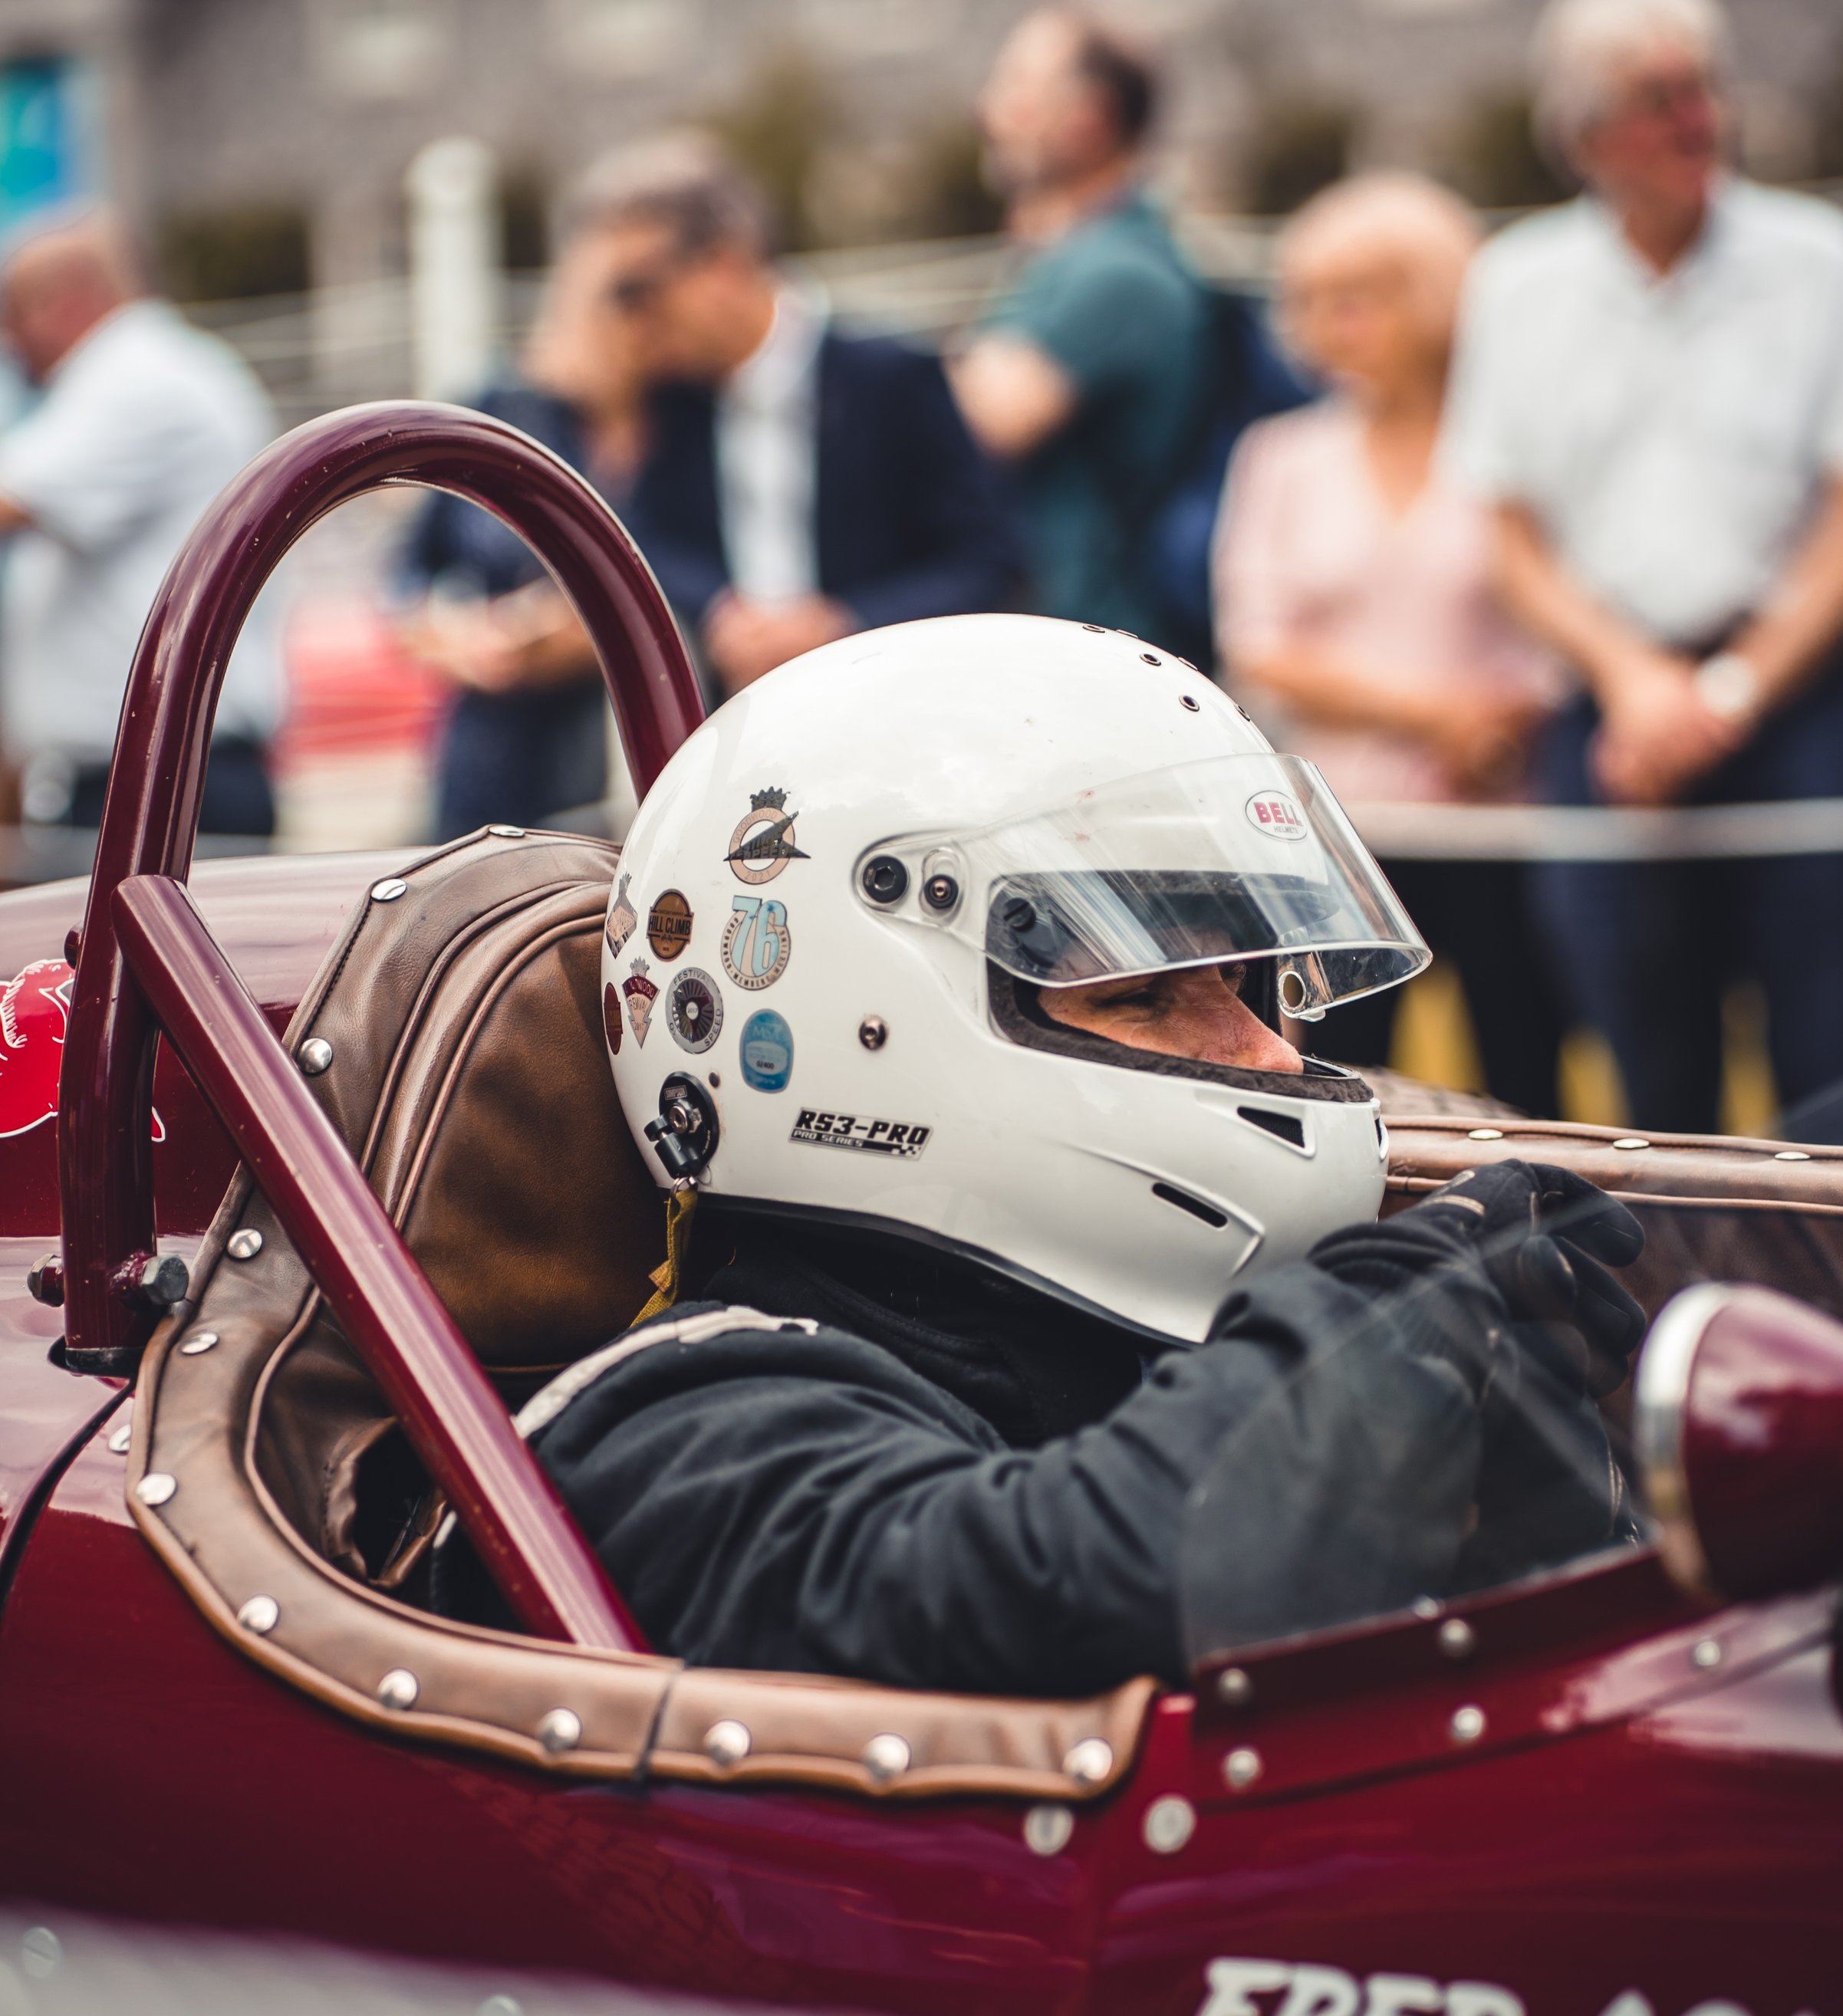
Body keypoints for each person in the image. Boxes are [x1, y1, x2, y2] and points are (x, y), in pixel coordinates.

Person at [455, 616, 1647, 1695]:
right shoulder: (681, 1425)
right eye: (1140, 992)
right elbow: (1080, 1588)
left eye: (1242, 984)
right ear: (861, 1020)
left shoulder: (1134, 1343)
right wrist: (1377, 1328)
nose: (1271, 1056)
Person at [1445, 0, 1843, 1143]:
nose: (1698, 119)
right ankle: (1677, 1265)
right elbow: (1508, 533)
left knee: (1829, 1071)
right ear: (1584, 131)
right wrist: (1634, 681)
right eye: (1659, 98)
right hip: (1609, 715)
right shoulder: (1517, 281)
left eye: (1705, 87)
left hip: (1801, 704)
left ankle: (1837, 1264)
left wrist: (1727, 690)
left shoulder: (1816, 259)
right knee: (1648, 1069)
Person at [1214, 174, 1565, 1120]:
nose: (1328, 325)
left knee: (1524, 1075)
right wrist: (1439, 715)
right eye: (1310, 300)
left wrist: (1511, 717)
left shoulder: (1514, 448)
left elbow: (1564, 617)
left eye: (1357, 297)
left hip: (1502, 819)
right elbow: (1258, 646)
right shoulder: (1279, 455)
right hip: (1341, 832)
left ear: (1430, 295)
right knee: (1335, 1089)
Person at [559, 134, 1020, 699]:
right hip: (731, 722)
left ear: (725, 262)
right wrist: (722, 611)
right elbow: (643, 539)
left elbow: (989, 561)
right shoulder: (665, 399)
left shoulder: (891, 377)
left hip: (891, 707)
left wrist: (843, 624)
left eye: (636, 289)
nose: (626, 318)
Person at [0, 206, 281, 837]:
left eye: (14, 311)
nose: (9, 338)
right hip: (150, 774)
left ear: (66, 299)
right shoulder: (147, 370)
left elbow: (10, 500)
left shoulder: (137, 373)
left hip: (164, 782)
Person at [398, 160, 659, 838]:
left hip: (629, 759)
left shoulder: (684, 424)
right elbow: (407, 580)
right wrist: (458, 638)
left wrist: (589, 629)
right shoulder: (505, 409)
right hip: (490, 752)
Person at [952, 10, 1212, 650]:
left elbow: (962, 432)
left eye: (1017, 87)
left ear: (1087, 120)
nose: (987, 110)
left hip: (1098, 653)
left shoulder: (1114, 276)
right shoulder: (1072, 262)